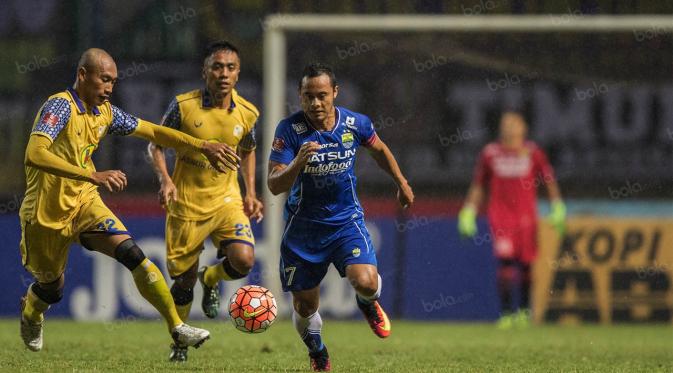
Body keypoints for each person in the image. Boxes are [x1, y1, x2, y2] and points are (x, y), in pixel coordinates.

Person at [18, 48, 240, 353]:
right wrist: (91, 176)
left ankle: (177, 327)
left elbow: (153, 130)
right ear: (83, 75)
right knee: (50, 290)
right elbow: (35, 154)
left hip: (84, 203)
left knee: (132, 254)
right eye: (104, 80)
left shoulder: (106, 113)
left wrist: (202, 145)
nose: (109, 88)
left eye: (113, 82)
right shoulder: (61, 107)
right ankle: (31, 311)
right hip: (45, 214)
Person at [268, 63, 414, 371]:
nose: (315, 103)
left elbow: (379, 149)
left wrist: (400, 182)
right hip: (303, 231)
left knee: (365, 281)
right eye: (308, 96)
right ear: (300, 96)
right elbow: (274, 184)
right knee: (305, 306)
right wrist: (298, 162)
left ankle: (367, 302)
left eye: (322, 95)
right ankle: (317, 351)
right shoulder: (289, 130)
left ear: (335, 93)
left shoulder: (355, 123)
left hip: (346, 222)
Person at [148, 41, 263, 362]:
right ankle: (180, 342)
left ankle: (211, 277)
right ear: (205, 71)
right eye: (217, 66)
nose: (223, 73)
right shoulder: (183, 107)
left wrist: (251, 192)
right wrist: (165, 179)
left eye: (230, 67)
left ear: (238, 74)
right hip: (186, 203)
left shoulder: (248, 113)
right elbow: (154, 145)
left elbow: (248, 149)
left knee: (244, 260)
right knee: (183, 282)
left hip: (227, 200)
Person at [458, 111, 566, 329]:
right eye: (506, 124)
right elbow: (479, 184)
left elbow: (549, 180)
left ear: (523, 128)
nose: (510, 128)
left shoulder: (533, 152)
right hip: (501, 217)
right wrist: (469, 210)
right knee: (505, 262)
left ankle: (525, 312)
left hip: (526, 218)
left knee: (526, 265)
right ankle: (507, 314)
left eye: (514, 124)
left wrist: (557, 205)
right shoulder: (491, 153)